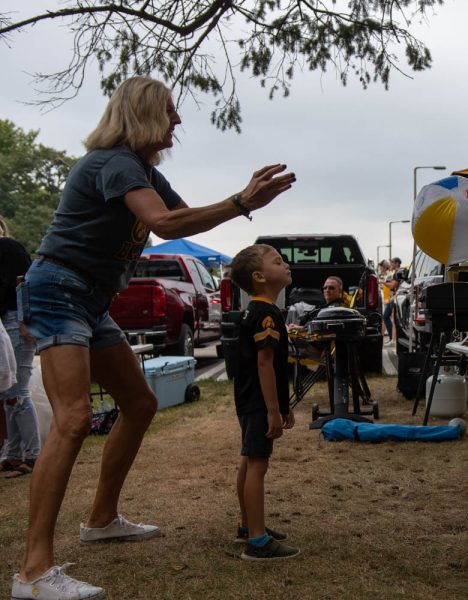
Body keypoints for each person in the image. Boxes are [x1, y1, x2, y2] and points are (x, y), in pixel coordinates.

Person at [11, 76, 295, 599]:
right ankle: (32, 571)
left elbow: (183, 219)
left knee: (139, 403)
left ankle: (100, 520)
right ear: (143, 114)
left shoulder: (140, 171)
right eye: (170, 111)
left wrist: (243, 204)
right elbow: (165, 224)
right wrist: (241, 199)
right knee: (73, 419)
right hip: (58, 289)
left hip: (90, 300)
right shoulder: (113, 162)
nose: (178, 121)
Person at [229, 244, 299, 560]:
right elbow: (264, 363)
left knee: (248, 459)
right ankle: (256, 541)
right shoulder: (267, 314)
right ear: (259, 277)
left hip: (247, 398)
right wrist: (273, 410)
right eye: (278, 262)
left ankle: (248, 525)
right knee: (258, 464)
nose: (285, 265)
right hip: (258, 402)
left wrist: (282, 406)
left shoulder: (254, 310)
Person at [0, 217, 40, 479]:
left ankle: (34, 454)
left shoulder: (9, 248)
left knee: (17, 390)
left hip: (16, 321)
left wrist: (26, 320)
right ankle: (13, 453)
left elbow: (25, 284)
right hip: (6, 322)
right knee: (7, 391)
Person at [382, 257, 402, 347]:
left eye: (392, 262)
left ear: (397, 263)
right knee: (388, 317)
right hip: (394, 297)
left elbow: (393, 285)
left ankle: (393, 339)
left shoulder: (397, 272)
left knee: (392, 319)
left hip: (395, 298)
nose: (391, 264)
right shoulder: (397, 272)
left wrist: (383, 282)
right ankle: (392, 338)